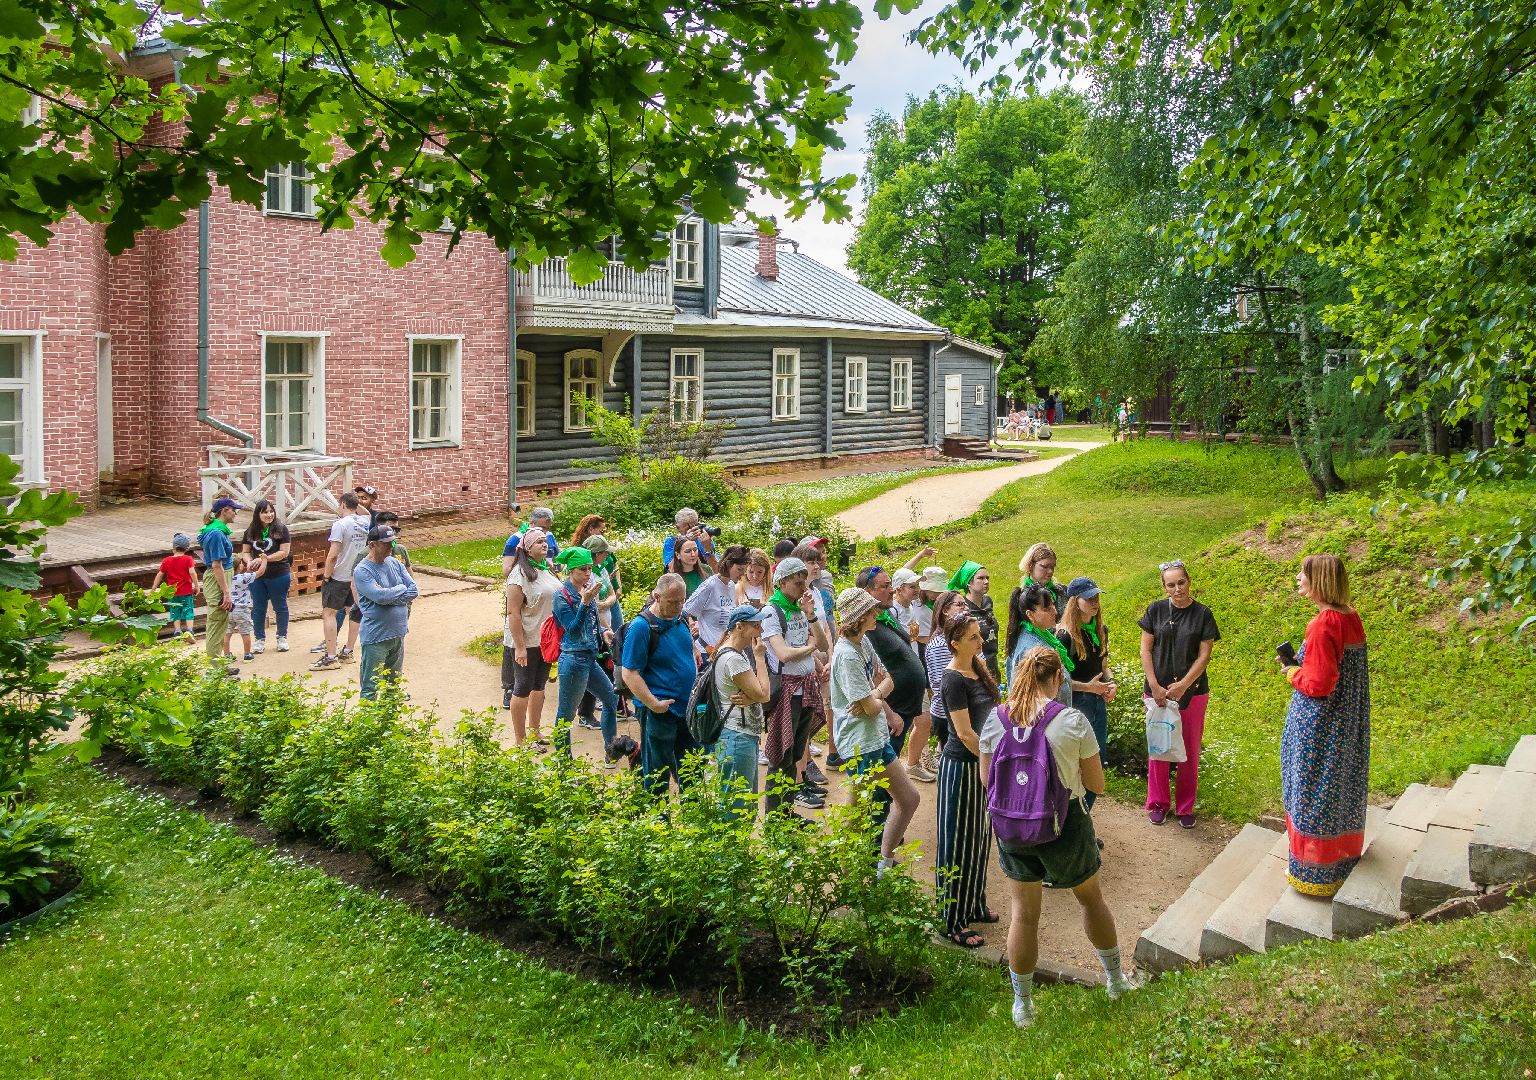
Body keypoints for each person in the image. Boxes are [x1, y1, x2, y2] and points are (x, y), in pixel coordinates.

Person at [984, 649, 1136, 1028]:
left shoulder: (995, 719)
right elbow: (1097, 784)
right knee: (1090, 899)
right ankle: (1115, 980)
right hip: (1063, 824)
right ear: (1056, 680)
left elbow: (988, 782)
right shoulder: (1071, 721)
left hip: (1013, 828)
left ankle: (1023, 1005)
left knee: (1024, 913)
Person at [1279, 554, 1370, 897]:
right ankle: (1340, 861)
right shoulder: (1351, 617)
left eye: (1303, 574)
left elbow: (1319, 685)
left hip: (1320, 725)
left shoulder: (1322, 624)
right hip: (1346, 723)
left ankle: (1313, 874)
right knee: (1339, 788)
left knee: (1310, 791)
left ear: (1319, 581)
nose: (1298, 579)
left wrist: (1291, 671)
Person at [831, 587, 921, 872]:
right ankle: (848, 877)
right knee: (858, 813)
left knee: (908, 799)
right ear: (860, 617)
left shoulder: (863, 643)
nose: (877, 613)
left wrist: (875, 697)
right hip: (859, 742)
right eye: (871, 610)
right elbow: (869, 706)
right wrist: (874, 699)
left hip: (875, 736)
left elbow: (887, 681)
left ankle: (883, 862)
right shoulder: (846, 654)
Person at [936, 611, 1003, 947]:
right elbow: (963, 733)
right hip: (962, 766)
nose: (981, 641)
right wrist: (994, 761)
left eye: (980, 635)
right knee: (957, 843)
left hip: (982, 764)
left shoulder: (977, 667)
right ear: (955, 643)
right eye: (974, 638)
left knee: (980, 837)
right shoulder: (952, 679)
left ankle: (974, 903)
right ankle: (951, 920)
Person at [1139, 559, 1221, 827]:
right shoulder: (1155, 610)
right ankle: (1158, 803)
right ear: (1164, 587)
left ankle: (1186, 807)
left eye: (1181, 583)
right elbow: (1146, 650)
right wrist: (1154, 685)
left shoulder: (1203, 614)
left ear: (1189, 582)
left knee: (1189, 751)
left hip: (1193, 692)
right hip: (1157, 691)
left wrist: (1184, 684)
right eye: (1171, 585)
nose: (1177, 589)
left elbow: (1204, 655)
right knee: (1159, 748)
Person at [857, 566, 930, 825]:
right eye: (884, 586)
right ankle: (876, 837)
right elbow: (869, 677)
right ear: (867, 592)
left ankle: (883, 830)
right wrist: (890, 713)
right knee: (882, 782)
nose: (891, 589)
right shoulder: (868, 628)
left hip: (903, 710)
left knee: (887, 779)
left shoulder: (884, 618)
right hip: (892, 715)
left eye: (890, 584)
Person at [759, 556, 832, 814]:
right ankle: (774, 816)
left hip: (805, 687)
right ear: (782, 582)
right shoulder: (772, 611)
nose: (803, 588)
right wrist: (810, 648)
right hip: (786, 692)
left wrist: (811, 617)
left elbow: (823, 645)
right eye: (798, 583)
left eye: (805, 583)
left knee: (795, 753)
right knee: (781, 754)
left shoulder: (799, 609)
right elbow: (783, 654)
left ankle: (786, 813)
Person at [621, 573, 700, 794]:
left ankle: (694, 824)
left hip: (686, 711)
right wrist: (654, 703)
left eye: (682, 600)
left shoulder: (681, 618)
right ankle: (658, 823)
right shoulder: (641, 627)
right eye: (672, 601)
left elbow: (685, 650)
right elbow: (630, 673)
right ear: (657, 596)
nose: (678, 606)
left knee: (692, 771)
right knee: (657, 774)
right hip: (659, 712)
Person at [549, 546, 621, 763]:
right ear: (571, 571)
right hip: (572, 661)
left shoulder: (587, 588)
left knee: (611, 699)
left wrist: (604, 632)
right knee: (565, 717)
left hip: (589, 658)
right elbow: (572, 628)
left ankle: (612, 751)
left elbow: (592, 622)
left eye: (590, 569)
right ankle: (565, 768)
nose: (588, 574)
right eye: (583, 570)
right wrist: (585, 602)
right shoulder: (561, 596)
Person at [1058, 577, 1117, 809]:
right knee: (1073, 765)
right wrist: (1088, 687)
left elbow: (1104, 666)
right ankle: (1069, 819)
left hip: (1097, 704)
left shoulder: (1101, 630)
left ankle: (1085, 820)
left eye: (1097, 598)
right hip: (1075, 704)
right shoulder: (1064, 636)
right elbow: (1057, 681)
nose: (1095, 603)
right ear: (1075, 601)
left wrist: (1111, 683)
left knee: (1096, 761)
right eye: (1089, 598)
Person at [712, 604, 774, 817]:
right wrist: (759, 658)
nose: (760, 632)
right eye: (756, 626)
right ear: (739, 627)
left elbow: (757, 693)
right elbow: (765, 694)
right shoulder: (734, 659)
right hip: (737, 737)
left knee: (744, 808)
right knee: (736, 811)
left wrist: (752, 696)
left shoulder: (732, 653)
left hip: (738, 736)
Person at [503, 526, 561, 748]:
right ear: (527, 548)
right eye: (539, 542)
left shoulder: (545, 568)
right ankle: (520, 739)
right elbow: (513, 613)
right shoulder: (518, 575)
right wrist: (519, 647)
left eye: (546, 541)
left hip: (545, 640)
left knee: (539, 685)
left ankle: (535, 732)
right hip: (525, 641)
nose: (545, 545)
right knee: (523, 686)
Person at [352, 524, 420, 701]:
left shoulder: (395, 562)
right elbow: (379, 597)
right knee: (370, 688)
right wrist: (399, 589)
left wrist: (390, 596)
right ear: (372, 545)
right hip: (376, 637)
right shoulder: (362, 571)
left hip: (398, 633)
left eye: (393, 542)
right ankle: (368, 725)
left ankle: (389, 723)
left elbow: (414, 590)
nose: (391, 547)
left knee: (393, 685)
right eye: (386, 543)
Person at [310, 492, 370, 671]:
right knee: (353, 612)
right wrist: (356, 503)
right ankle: (348, 652)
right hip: (356, 574)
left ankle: (330, 657)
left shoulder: (339, 525)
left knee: (329, 613)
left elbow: (333, 555)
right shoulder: (364, 521)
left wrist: (327, 576)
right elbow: (366, 513)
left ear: (342, 505)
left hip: (339, 575)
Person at [1005, 584, 1074, 709]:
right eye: (1046, 609)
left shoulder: (1041, 635)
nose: (1055, 611)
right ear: (1030, 614)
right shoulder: (1032, 648)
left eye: (1053, 605)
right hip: (1044, 721)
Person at [922, 588, 969, 769]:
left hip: (961, 707)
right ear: (945, 611)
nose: (965, 608)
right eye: (959, 605)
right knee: (954, 762)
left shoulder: (957, 638)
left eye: (965, 604)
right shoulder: (940, 644)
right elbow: (943, 684)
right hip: (948, 711)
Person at [242, 499, 292, 653]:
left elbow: (284, 552)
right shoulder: (250, 531)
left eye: (271, 511)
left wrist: (265, 558)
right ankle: (259, 639)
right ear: (258, 514)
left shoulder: (281, 529)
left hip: (278, 573)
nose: (269, 515)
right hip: (257, 576)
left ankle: (281, 637)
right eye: (265, 512)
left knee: (280, 606)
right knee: (258, 607)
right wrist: (249, 561)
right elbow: (245, 551)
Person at [1006, 543, 1064, 666]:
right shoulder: (1022, 597)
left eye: (1053, 567)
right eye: (1044, 566)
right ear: (1030, 565)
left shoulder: (1061, 591)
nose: (1050, 572)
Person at [684, 544, 749, 651]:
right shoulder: (710, 585)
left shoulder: (731, 585)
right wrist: (692, 643)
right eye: (739, 569)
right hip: (706, 651)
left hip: (725, 649)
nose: (742, 574)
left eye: (744, 571)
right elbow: (685, 612)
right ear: (728, 564)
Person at [198, 497, 240, 665]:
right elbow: (216, 565)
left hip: (220, 578)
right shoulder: (215, 533)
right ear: (224, 511)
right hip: (217, 582)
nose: (235, 513)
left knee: (221, 623)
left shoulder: (216, 530)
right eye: (233, 510)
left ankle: (218, 664)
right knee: (216, 625)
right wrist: (226, 593)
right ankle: (214, 669)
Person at [949, 561, 1000, 681]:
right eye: (981, 578)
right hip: (976, 667)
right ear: (969, 583)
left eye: (987, 578)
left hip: (993, 664)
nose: (986, 582)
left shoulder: (988, 601)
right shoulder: (963, 608)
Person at [153, 532, 199, 635]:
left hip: (172, 592)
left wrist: (154, 588)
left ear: (173, 547)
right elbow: (192, 572)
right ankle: (190, 630)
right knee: (188, 610)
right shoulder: (188, 559)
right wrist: (196, 586)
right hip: (186, 591)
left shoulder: (167, 560)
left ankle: (177, 630)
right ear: (186, 548)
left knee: (175, 610)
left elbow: (160, 574)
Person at [223, 555, 261, 662]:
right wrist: (265, 560)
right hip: (242, 609)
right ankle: (247, 654)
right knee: (245, 632)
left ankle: (226, 655)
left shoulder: (225, 578)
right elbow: (260, 572)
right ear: (239, 567)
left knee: (227, 633)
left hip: (228, 609)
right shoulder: (243, 577)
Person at [501, 507, 558, 577]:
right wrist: (535, 571)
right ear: (531, 522)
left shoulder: (549, 536)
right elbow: (506, 571)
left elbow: (557, 563)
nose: (545, 532)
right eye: (541, 528)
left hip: (550, 581)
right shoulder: (515, 539)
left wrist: (556, 568)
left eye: (548, 528)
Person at [661, 508, 720, 572]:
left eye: (696, 526)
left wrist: (708, 549)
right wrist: (686, 540)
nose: (694, 530)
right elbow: (671, 569)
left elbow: (717, 570)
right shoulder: (671, 541)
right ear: (678, 528)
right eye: (689, 528)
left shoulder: (703, 540)